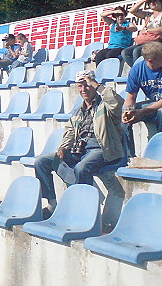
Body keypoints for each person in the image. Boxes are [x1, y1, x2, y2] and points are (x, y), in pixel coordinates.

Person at [34, 70, 125, 217]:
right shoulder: (78, 111)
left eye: (86, 85)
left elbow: (117, 102)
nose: (83, 90)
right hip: (79, 151)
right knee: (42, 162)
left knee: (82, 168)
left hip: (102, 149)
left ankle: (83, 211)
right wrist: (63, 148)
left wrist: (95, 84)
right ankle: (52, 205)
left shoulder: (105, 106)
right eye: (80, 86)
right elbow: (69, 132)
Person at [122, 41, 162, 156]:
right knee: (124, 116)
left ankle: (158, 153)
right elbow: (130, 97)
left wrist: (143, 111)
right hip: (152, 104)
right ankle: (129, 157)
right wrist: (128, 111)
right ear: (151, 60)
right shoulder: (137, 70)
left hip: (158, 107)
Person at [121, 0, 162, 67]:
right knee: (125, 52)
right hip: (146, 41)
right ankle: (137, 70)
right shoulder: (148, 15)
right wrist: (144, 0)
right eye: (150, 2)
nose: (152, 3)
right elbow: (132, 11)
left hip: (158, 41)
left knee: (137, 51)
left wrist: (147, 30)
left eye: (155, 1)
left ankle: (143, 71)